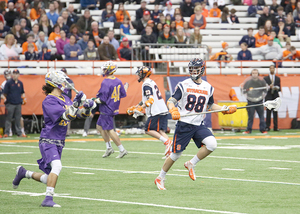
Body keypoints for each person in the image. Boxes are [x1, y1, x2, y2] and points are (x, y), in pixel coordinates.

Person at [11, 69, 96, 207]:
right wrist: (75, 104)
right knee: (57, 166)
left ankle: (24, 173)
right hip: (48, 140)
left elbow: (78, 115)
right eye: (62, 81)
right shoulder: (49, 100)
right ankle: (48, 199)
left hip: (60, 141)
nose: (65, 83)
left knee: (48, 177)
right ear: (55, 83)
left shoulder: (65, 98)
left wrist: (87, 108)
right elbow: (66, 116)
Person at [154, 58, 237, 190]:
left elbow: (210, 105)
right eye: (191, 69)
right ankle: (160, 177)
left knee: (212, 144)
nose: (193, 71)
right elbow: (171, 100)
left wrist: (225, 109)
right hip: (184, 124)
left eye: (196, 69)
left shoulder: (208, 87)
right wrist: (172, 109)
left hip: (198, 124)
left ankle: (191, 163)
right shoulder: (184, 84)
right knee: (175, 154)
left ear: (202, 70)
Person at [127, 66, 172, 158]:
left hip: (156, 111)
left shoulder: (146, 84)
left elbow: (150, 100)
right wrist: (138, 105)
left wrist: (141, 108)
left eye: (139, 73)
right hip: (162, 109)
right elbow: (147, 98)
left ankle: (167, 142)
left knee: (147, 130)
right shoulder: (151, 82)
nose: (138, 75)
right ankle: (170, 152)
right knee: (160, 131)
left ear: (144, 74)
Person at [96, 61, 128, 158]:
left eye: (105, 69)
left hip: (107, 108)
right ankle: (109, 147)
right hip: (113, 107)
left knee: (110, 130)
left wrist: (95, 100)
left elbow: (103, 98)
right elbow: (123, 94)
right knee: (99, 127)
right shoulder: (118, 80)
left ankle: (122, 149)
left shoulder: (106, 81)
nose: (104, 70)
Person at [242, 69, 268, 134]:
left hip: (259, 101)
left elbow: (265, 90)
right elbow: (244, 90)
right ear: (251, 74)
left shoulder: (261, 82)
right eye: (253, 73)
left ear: (258, 74)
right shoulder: (248, 82)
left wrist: (262, 97)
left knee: (261, 116)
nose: (254, 74)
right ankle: (248, 129)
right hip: (250, 101)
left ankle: (263, 129)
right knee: (250, 117)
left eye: (256, 73)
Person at [3, 69, 27, 138]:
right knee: (9, 118)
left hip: (18, 103)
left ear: (19, 75)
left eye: (16, 74)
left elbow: (22, 92)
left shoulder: (20, 83)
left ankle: (19, 133)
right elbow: (4, 93)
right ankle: (7, 132)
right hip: (10, 103)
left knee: (18, 118)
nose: (15, 75)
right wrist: (5, 100)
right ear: (12, 75)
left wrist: (24, 99)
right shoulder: (8, 83)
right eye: (14, 73)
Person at [263, 65, 281, 131]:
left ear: (275, 69)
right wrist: (269, 87)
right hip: (268, 96)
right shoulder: (265, 78)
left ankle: (275, 127)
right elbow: (264, 88)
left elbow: (279, 88)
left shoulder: (277, 78)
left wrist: (275, 87)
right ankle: (267, 126)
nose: (272, 69)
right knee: (268, 112)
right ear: (269, 69)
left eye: (273, 68)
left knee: (275, 112)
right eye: (271, 68)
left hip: (275, 96)